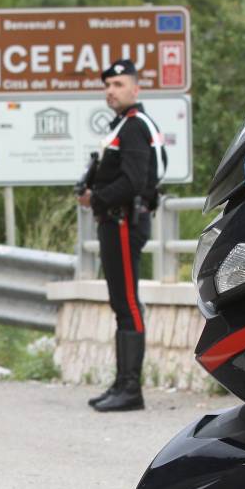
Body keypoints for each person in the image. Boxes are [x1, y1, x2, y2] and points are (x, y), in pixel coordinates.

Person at [78, 58, 164, 413]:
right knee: (120, 303)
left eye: (118, 85)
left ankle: (131, 389)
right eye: (107, 86)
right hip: (114, 222)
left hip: (124, 220)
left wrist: (95, 198)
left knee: (127, 303)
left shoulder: (133, 127)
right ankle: (121, 383)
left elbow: (133, 181)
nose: (110, 91)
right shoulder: (122, 126)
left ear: (135, 88)